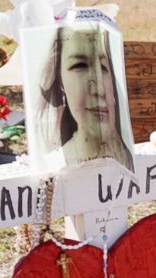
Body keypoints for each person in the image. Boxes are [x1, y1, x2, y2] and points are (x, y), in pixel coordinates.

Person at [36, 25, 134, 172]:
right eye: (80, 66)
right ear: (59, 80)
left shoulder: (129, 161)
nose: (100, 90)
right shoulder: (51, 167)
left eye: (103, 67)